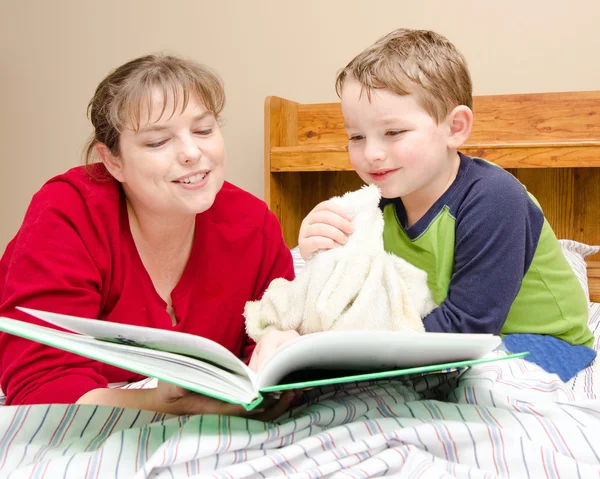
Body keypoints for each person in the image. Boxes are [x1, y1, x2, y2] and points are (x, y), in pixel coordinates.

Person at [0, 54, 298, 417]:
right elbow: (40, 385)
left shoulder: (254, 225)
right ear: (113, 161)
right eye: (158, 142)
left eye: (204, 130)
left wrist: (282, 350)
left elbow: (270, 358)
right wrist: (156, 403)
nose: (192, 153)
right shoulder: (68, 212)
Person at [297, 29, 593, 348]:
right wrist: (319, 253)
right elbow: (354, 293)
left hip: (546, 344)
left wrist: (360, 348)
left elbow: (467, 327)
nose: (371, 153)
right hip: (458, 337)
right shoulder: (379, 205)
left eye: (393, 132)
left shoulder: (495, 199)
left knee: (477, 384)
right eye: (356, 137)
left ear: (454, 128)